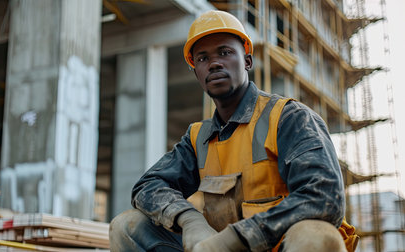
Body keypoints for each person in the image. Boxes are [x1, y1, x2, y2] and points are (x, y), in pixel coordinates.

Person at [110, 10, 357, 252]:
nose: (214, 62)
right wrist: (189, 220)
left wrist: (238, 237)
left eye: (225, 52)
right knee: (128, 226)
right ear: (196, 71)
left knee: (316, 237)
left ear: (247, 61)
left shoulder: (289, 118)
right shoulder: (198, 138)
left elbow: (324, 196)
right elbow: (148, 186)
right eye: (202, 58)